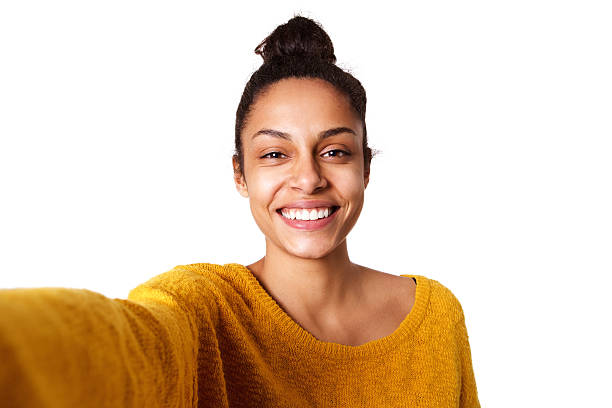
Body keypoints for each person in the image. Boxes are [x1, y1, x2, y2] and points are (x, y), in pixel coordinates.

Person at [0, 15, 480, 407]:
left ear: (366, 167)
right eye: (275, 154)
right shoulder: (203, 308)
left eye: (335, 151)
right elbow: (120, 347)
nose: (308, 178)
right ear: (240, 173)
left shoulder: (437, 317)